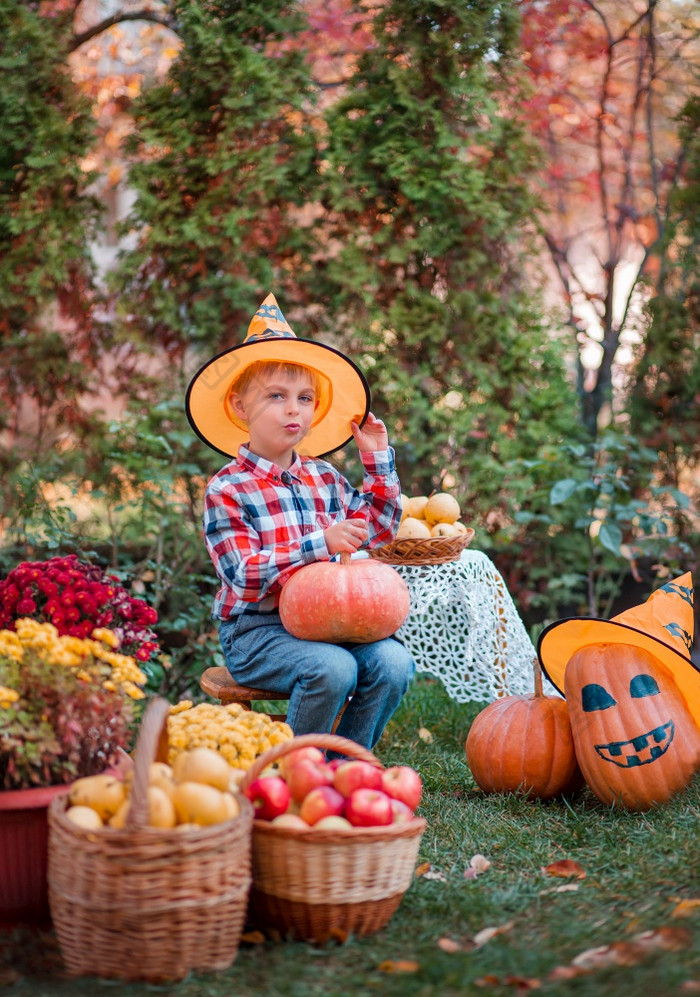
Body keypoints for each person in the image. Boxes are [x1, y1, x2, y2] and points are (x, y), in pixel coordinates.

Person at [186, 293, 415, 749]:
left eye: (305, 398)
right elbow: (244, 576)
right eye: (277, 396)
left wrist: (376, 462)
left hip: (331, 624)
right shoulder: (227, 489)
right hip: (257, 634)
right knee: (331, 668)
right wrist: (320, 543)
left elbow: (379, 528)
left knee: (393, 663)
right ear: (239, 407)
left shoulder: (323, 476)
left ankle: (344, 764)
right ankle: (297, 770)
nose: (294, 409)